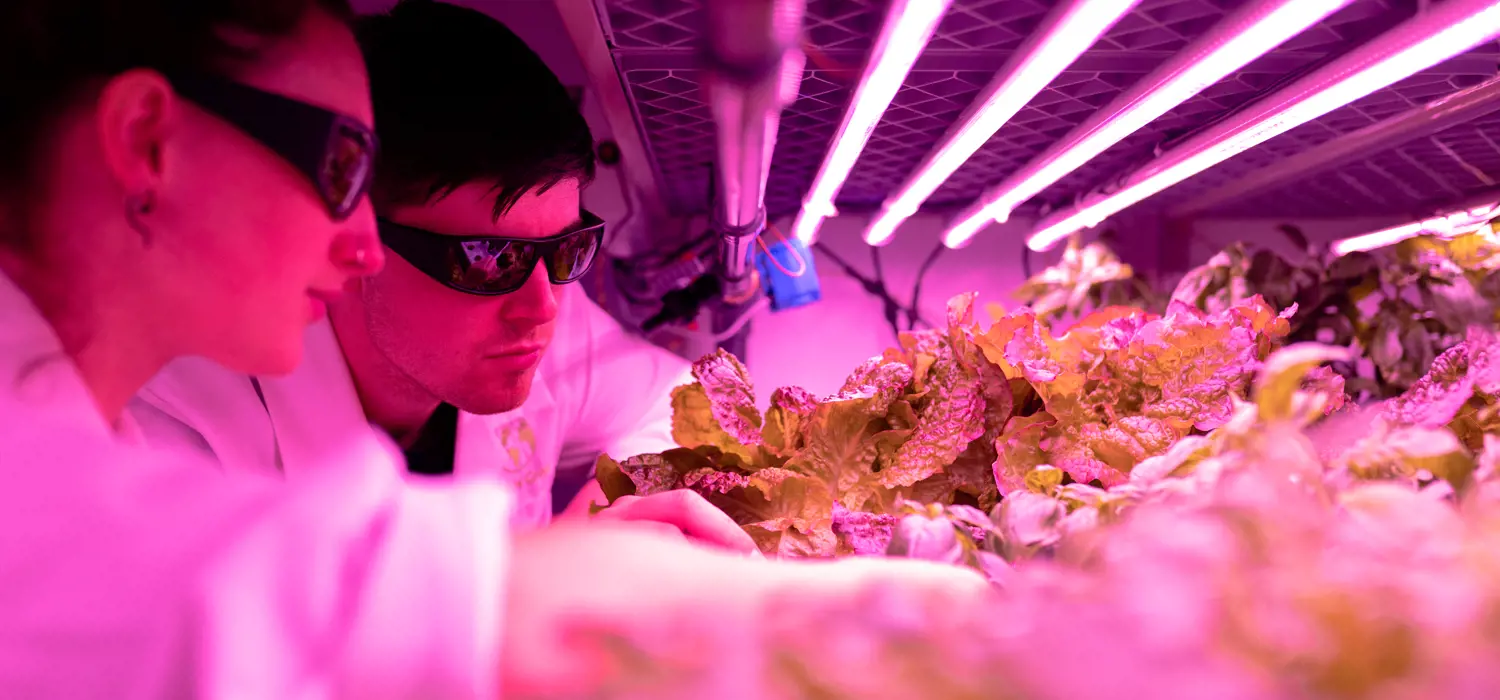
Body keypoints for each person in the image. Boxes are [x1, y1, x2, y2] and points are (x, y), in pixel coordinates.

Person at [0, 0, 988, 696]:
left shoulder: (67, 401)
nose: (544, 305)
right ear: (146, 140)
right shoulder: (113, 453)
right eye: (337, 168)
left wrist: (612, 509)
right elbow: (287, 612)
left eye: (564, 252)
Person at [129, 0, 749, 547]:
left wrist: (599, 527)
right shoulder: (177, 420)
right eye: (488, 259)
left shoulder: (541, 299)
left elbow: (686, 404)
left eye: (566, 248)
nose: (542, 307)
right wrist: (532, 586)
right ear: (353, 239)